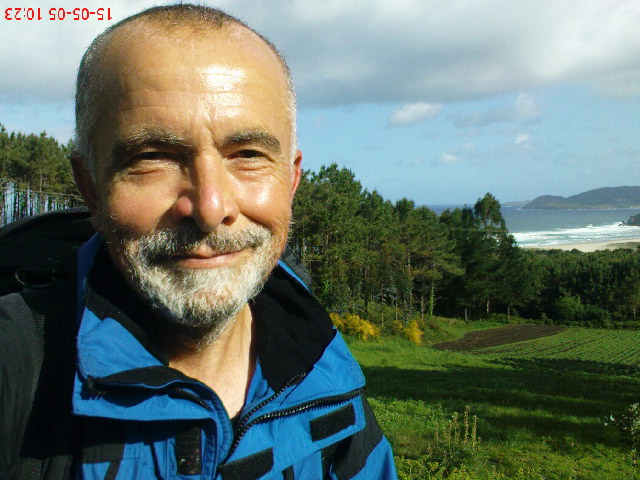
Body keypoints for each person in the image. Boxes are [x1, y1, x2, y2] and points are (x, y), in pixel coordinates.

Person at [0, 4, 398, 479]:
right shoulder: (14, 369)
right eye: (153, 157)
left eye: (247, 154)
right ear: (90, 186)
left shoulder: (325, 376)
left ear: (290, 181)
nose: (210, 208)